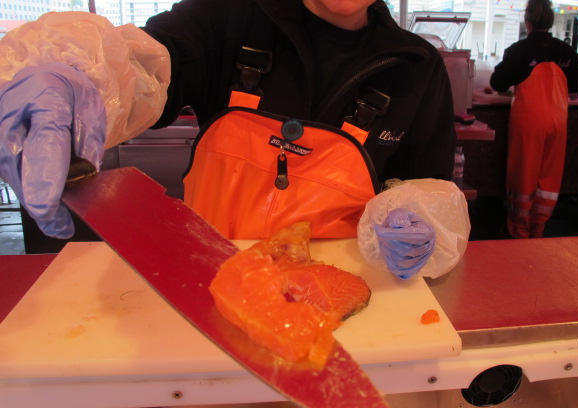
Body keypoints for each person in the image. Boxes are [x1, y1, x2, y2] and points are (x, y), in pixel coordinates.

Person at [0, 0, 455, 274]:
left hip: (346, 302)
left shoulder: (416, 66)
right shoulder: (225, 17)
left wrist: (416, 222)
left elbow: (428, 190)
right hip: (208, 287)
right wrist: (73, 78)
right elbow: (140, 64)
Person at [489, 0, 578, 238]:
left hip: (529, 121)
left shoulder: (518, 51)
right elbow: (577, 83)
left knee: (524, 175)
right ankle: (539, 230)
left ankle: (519, 230)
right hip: (558, 120)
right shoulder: (566, 52)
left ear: (528, 22)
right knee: (549, 177)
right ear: (550, 21)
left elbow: (497, 82)